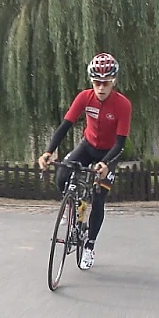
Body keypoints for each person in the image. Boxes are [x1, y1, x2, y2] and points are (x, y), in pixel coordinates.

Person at [37, 52, 132, 270]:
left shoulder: (123, 105)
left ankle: (89, 245)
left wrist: (106, 163)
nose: (101, 88)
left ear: (113, 81)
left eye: (106, 83)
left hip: (109, 153)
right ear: (92, 81)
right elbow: (65, 126)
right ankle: (73, 206)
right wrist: (48, 152)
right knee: (61, 176)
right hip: (87, 146)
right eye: (97, 82)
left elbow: (120, 143)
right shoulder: (84, 98)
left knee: (99, 198)